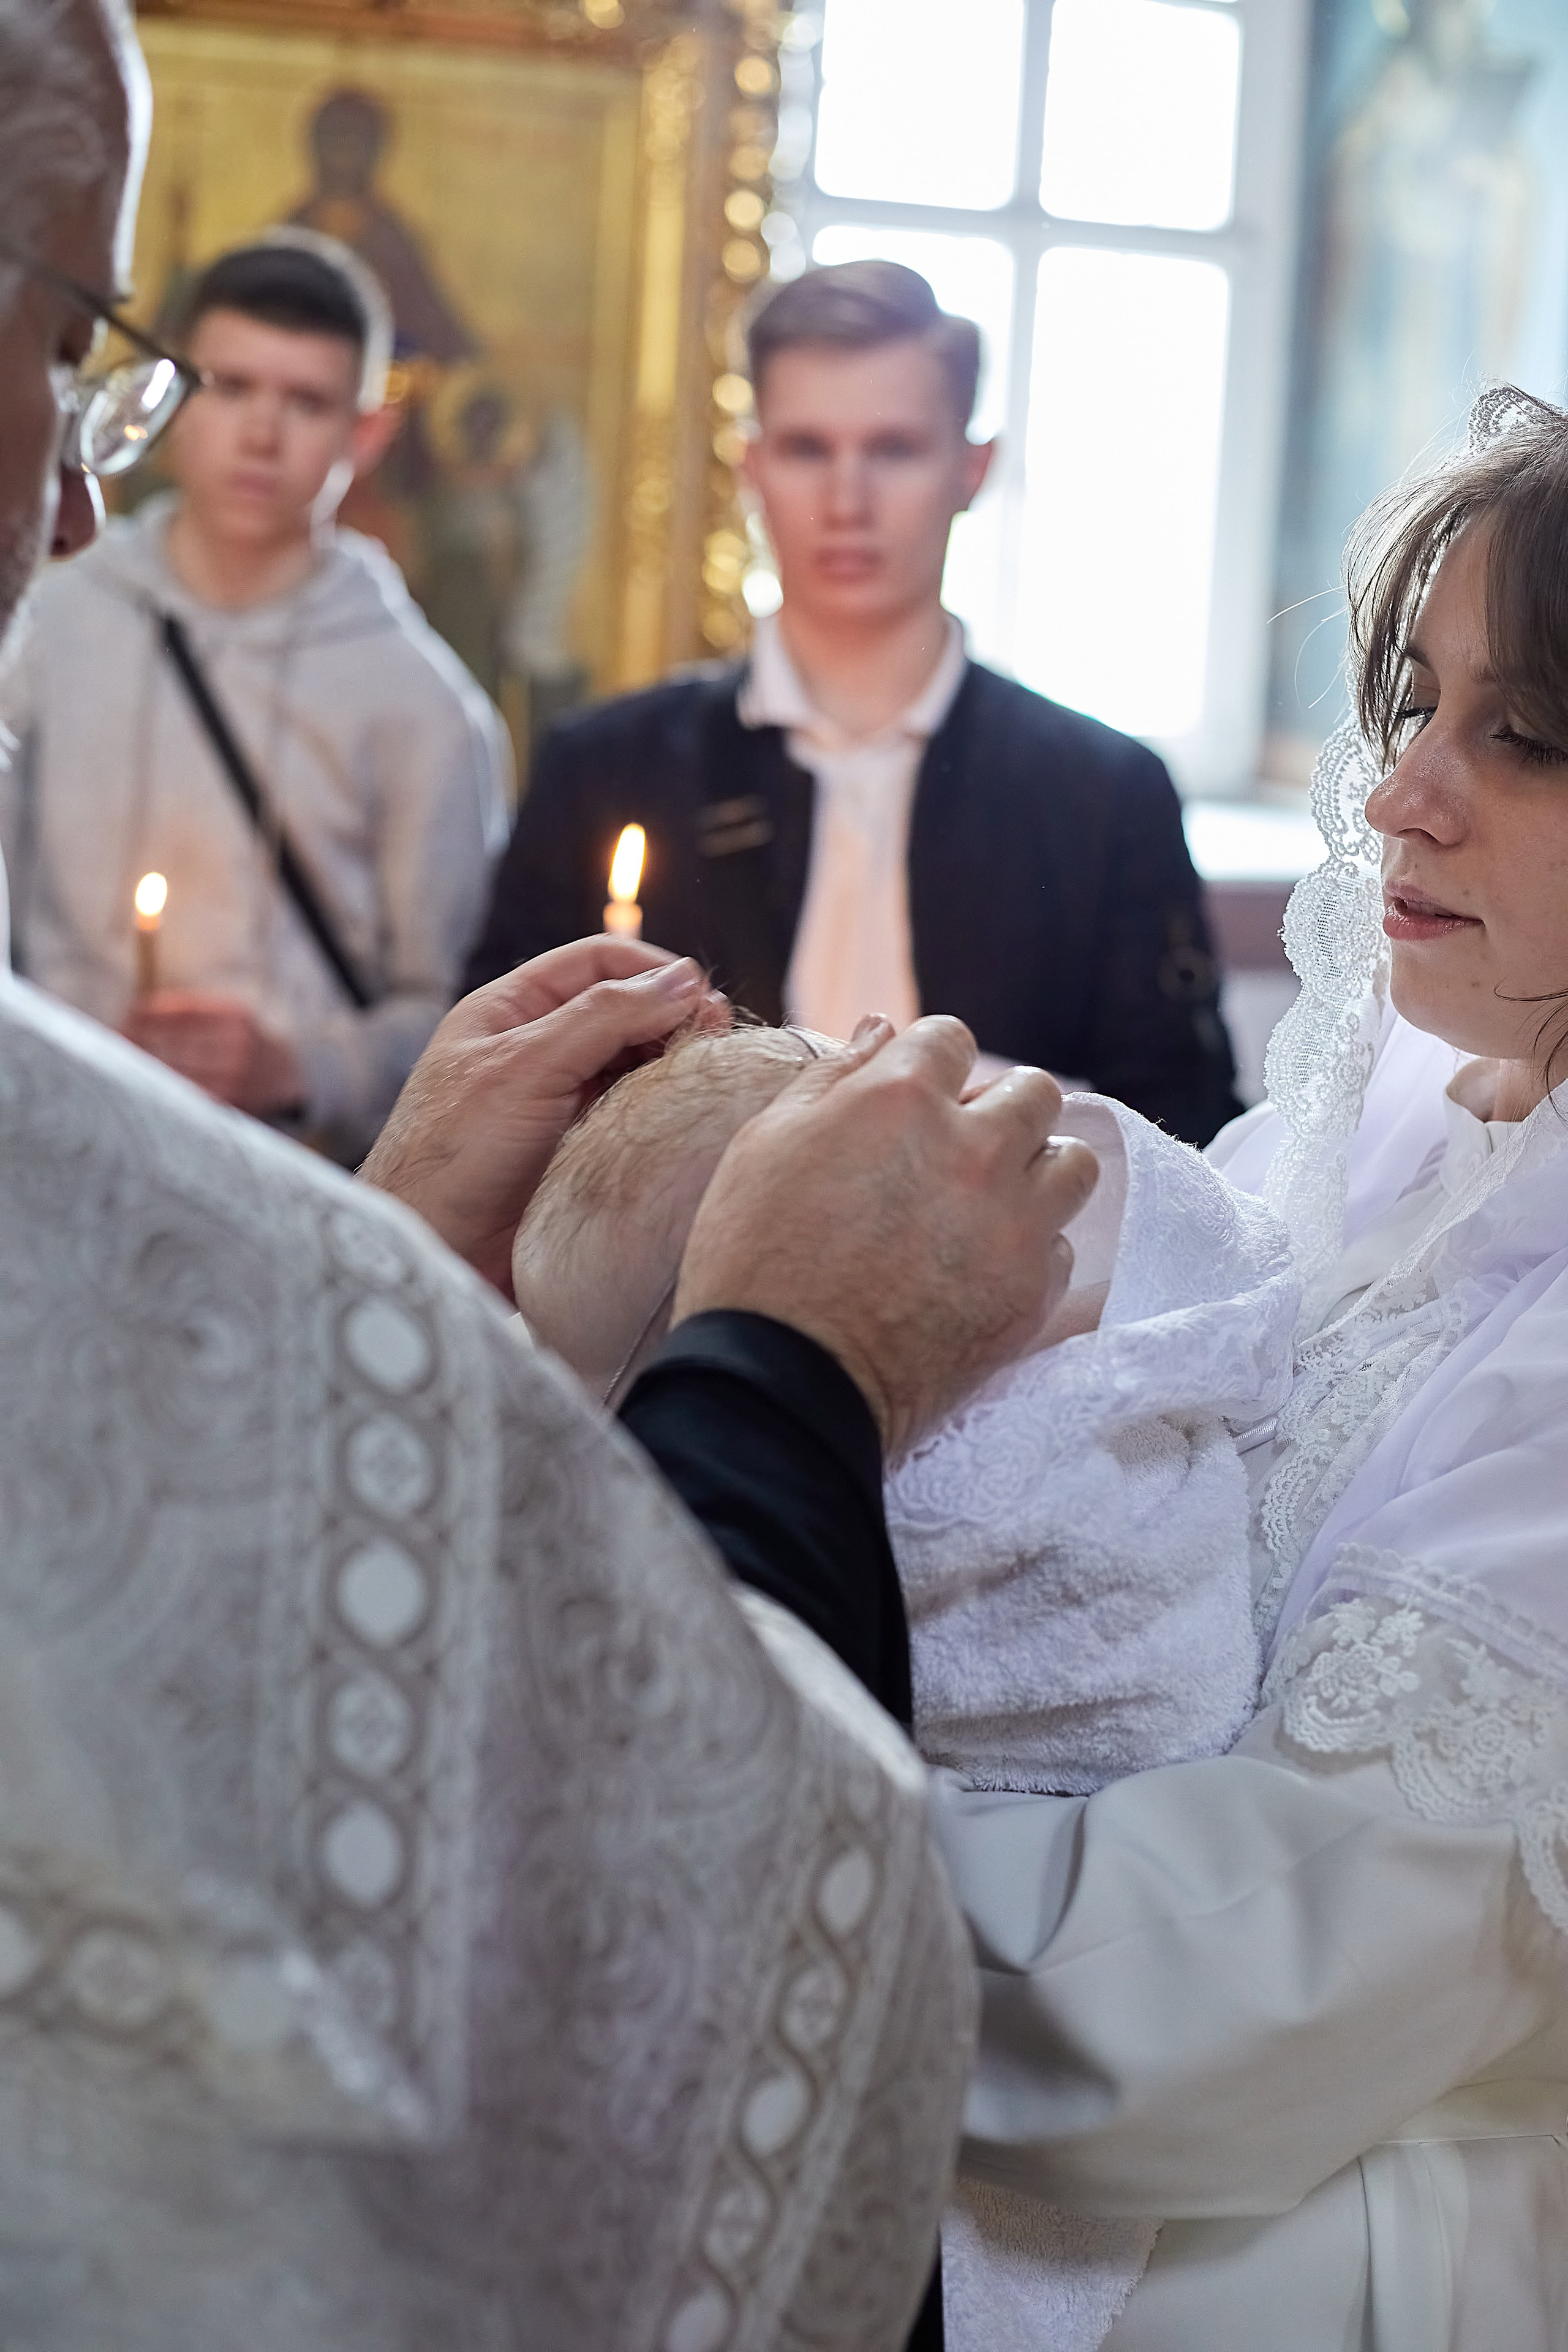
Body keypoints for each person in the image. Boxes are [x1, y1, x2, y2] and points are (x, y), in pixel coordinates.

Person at [0, 6, 1103, 2343]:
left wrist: (384, 1247)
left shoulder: (1069, 786)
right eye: (84, 351)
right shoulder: (607, 741)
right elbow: (690, 1969)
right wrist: (791, 1359)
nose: (90, 490)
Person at [905, 388, 1568, 2350]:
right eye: (1415, 703)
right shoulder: (1364, 1147)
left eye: (1521, 735)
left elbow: (1218, 2005)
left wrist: (747, 1805)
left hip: (1341, 2250)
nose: (1401, 796)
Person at [464, 261, 1243, 1147]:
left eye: (894, 449)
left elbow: (1190, 1133)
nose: (846, 501)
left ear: (972, 469)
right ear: (751, 467)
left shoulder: (1104, 792)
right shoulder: (606, 768)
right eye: (807, 450)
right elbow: (493, 1086)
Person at [0, 226, 510, 1164]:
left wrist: (301, 1065)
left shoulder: (423, 702)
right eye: (229, 387)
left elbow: (465, 1015)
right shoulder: (48, 623)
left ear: (368, 432)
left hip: (297, 1176)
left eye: (307, 401)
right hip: (51, 1156)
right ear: (169, 397)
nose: (261, 435)